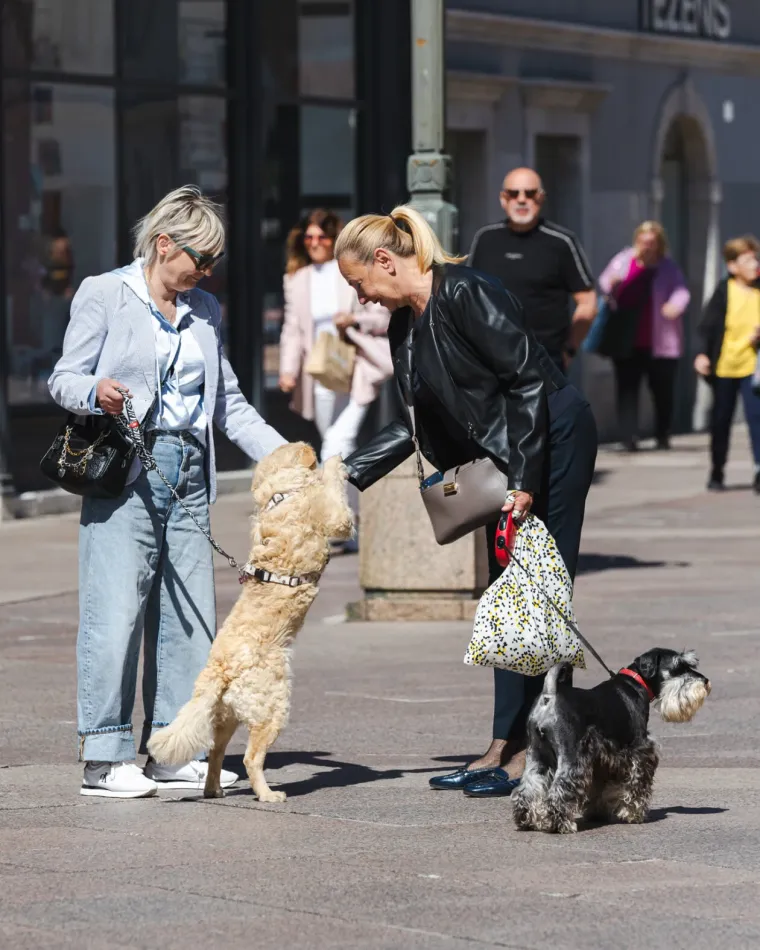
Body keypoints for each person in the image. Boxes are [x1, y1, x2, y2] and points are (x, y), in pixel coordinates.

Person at [335, 205, 598, 797]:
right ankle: (505, 743)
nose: (362, 298)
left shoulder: (466, 291)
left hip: (550, 439)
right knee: (508, 594)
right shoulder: (408, 322)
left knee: (539, 591)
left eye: (360, 284)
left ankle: (541, 750)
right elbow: (414, 424)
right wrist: (342, 475)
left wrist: (526, 479)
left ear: (384, 260)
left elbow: (528, 380)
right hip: (508, 454)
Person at [49, 185, 287, 798]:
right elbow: (63, 379)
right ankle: (103, 756)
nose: (205, 274)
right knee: (116, 612)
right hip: (127, 465)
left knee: (190, 615)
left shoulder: (203, 308)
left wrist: (287, 460)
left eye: (210, 265)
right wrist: (96, 389)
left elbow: (228, 404)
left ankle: (172, 749)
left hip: (189, 470)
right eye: (198, 261)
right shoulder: (105, 292)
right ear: (163, 245)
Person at [278, 209, 391, 467]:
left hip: (356, 368)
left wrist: (354, 320)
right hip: (320, 372)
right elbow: (292, 328)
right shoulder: (296, 279)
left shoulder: (348, 272)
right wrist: (288, 371)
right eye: (309, 238)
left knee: (335, 442)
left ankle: (338, 507)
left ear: (334, 239)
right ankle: (348, 507)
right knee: (338, 446)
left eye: (322, 237)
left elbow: (382, 316)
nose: (315, 243)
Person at [468, 167, 596, 373]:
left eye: (530, 194)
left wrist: (570, 348)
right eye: (513, 193)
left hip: (544, 359)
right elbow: (469, 297)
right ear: (503, 199)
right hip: (490, 358)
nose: (521, 200)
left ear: (541, 198)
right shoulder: (485, 239)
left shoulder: (561, 242)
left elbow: (587, 302)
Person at [599, 221, 690, 452]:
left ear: (660, 245)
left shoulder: (667, 267)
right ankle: (628, 436)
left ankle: (662, 433)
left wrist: (674, 305)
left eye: (652, 243)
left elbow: (682, 291)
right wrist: (613, 284)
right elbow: (605, 281)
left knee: (662, 391)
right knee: (627, 389)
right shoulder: (624, 260)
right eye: (643, 242)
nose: (647, 247)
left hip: (661, 341)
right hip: (628, 339)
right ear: (636, 241)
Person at [695, 235, 760, 492]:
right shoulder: (725, 291)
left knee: (757, 418)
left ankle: (758, 470)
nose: (755, 264)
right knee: (721, 420)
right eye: (748, 260)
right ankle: (717, 470)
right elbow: (707, 328)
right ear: (732, 266)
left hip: (753, 368)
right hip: (725, 366)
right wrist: (702, 355)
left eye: (755, 258)